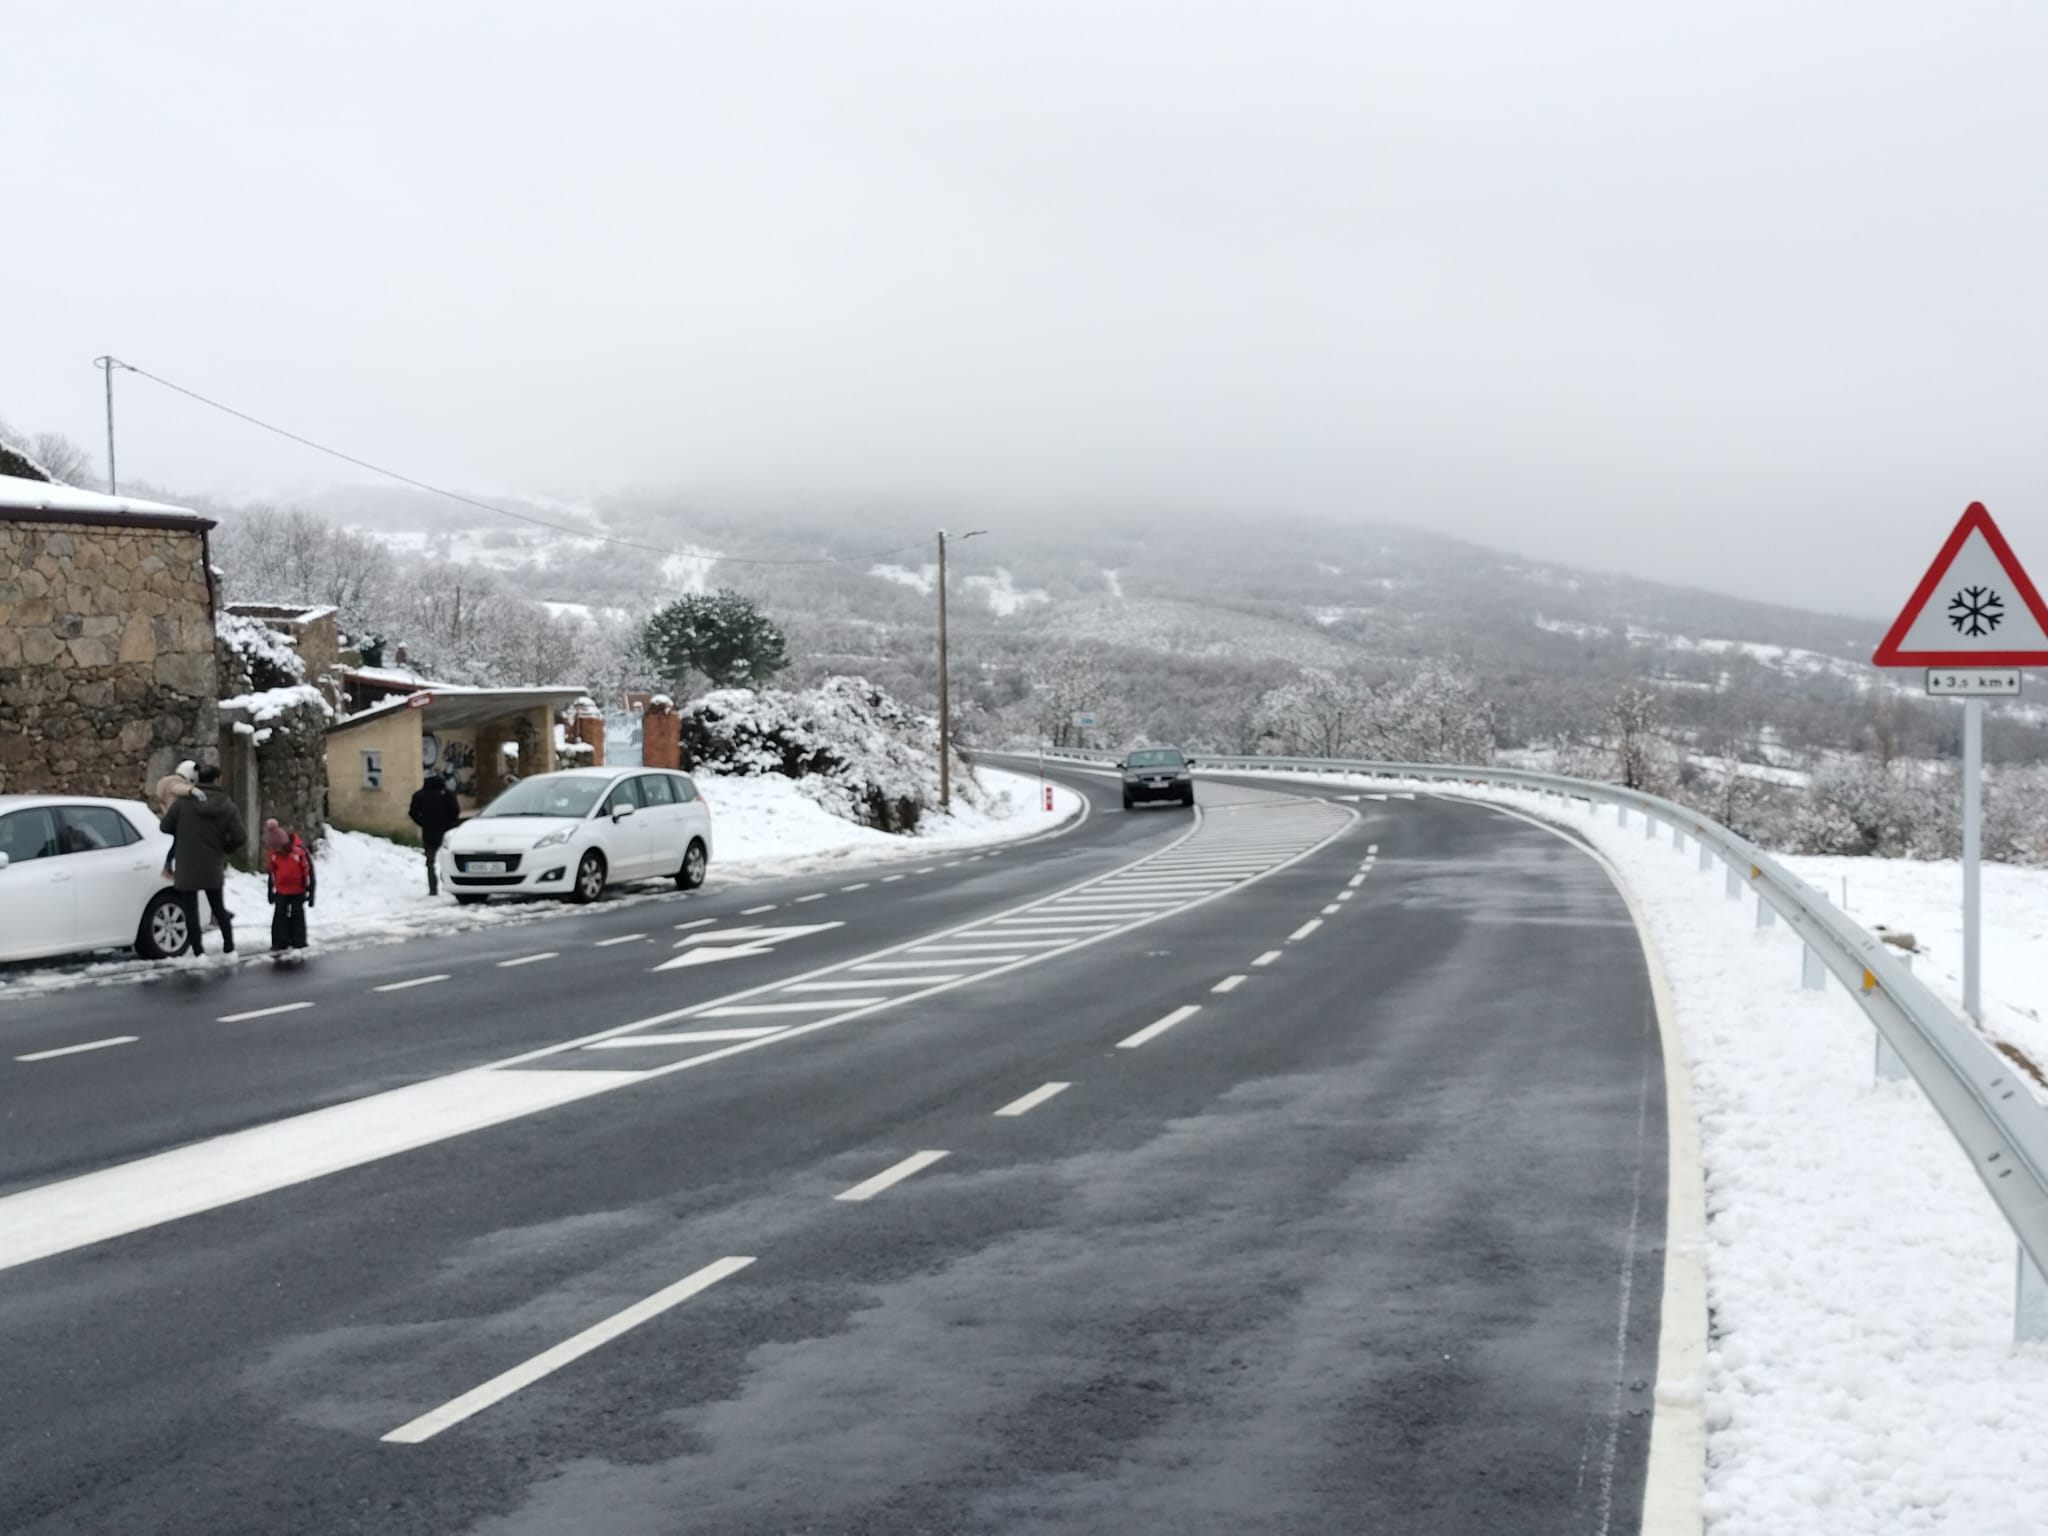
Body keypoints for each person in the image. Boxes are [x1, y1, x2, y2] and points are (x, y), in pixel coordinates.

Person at [159, 762, 247, 954]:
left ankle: (198, 951)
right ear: (218, 780)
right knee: (218, 907)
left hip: (186, 864)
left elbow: (164, 827)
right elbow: (240, 836)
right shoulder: (227, 805)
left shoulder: (183, 803)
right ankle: (229, 947)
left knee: (190, 910)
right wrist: (225, 847)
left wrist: (182, 830)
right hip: (212, 864)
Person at [263, 818, 315, 952]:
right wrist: (270, 891)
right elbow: (272, 872)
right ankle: (280, 941)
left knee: (297, 915)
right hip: (281, 890)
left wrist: (310, 892)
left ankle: (299, 941)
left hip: (298, 889)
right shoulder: (273, 854)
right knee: (279, 915)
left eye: (279, 849)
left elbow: (308, 871)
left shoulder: (299, 852)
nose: (277, 851)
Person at [408, 771, 462, 895]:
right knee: (448, 859)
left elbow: (412, 813)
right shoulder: (448, 794)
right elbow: (455, 812)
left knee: (430, 862)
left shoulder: (419, 795)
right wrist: (450, 824)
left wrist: (423, 822)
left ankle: (433, 889)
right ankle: (450, 885)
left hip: (428, 832)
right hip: (446, 832)